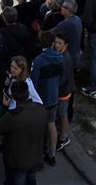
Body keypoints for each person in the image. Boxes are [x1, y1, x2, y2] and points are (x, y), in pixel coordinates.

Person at [0, 80, 48, 185]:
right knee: (31, 180)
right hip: (36, 158)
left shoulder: (13, 116)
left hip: (18, 162)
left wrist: (4, 107)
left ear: (13, 96)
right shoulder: (41, 110)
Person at [30, 31, 63, 166]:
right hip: (54, 97)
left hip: (40, 100)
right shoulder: (59, 57)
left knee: (39, 129)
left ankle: (38, 157)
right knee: (51, 125)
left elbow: (34, 82)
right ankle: (52, 154)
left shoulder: (39, 60)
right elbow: (62, 77)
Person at [53, 32, 74, 152]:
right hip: (62, 91)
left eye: (59, 43)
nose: (56, 45)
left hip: (63, 93)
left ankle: (64, 137)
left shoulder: (64, 59)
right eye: (55, 42)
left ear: (65, 44)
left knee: (62, 114)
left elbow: (63, 79)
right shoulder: (60, 54)